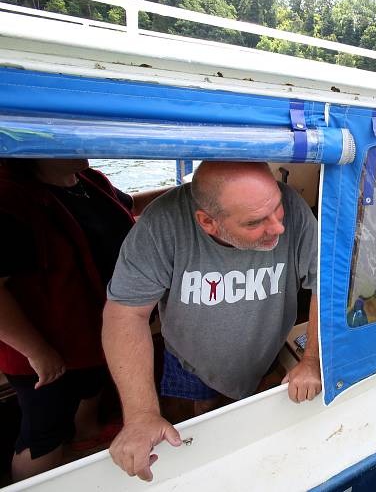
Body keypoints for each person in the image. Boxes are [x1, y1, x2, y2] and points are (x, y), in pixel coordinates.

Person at [102, 160, 321, 482]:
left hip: (264, 349)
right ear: (208, 222)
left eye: (277, 210)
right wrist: (140, 416)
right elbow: (126, 313)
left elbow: (324, 282)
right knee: (202, 418)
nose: (278, 228)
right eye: (255, 223)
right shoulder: (160, 225)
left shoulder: (290, 206)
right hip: (191, 357)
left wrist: (312, 359)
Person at [0, 158, 164, 481]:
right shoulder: (10, 200)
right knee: (43, 434)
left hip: (95, 329)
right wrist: (37, 351)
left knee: (91, 389)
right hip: (46, 349)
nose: (84, 140)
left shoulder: (87, 181)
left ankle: (86, 434)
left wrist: (188, 193)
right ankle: (33, 484)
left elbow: (129, 206)